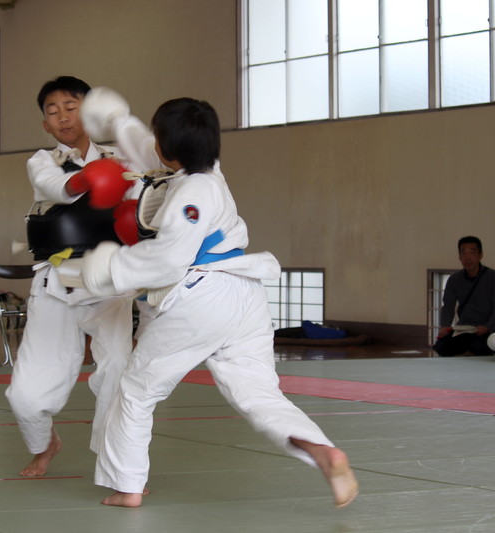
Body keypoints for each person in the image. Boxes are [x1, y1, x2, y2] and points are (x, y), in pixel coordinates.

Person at [77, 90, 358, 508]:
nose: (152, 144)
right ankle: (323, 451)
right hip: (244, 297)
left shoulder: (192, 194)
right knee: (260, 393)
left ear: (168, 149)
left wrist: (110, 267)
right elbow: (151, 150)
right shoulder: (203, 172)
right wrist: (120, 122)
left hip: (200, 296)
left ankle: (128, 486)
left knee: (136, 391)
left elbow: (169, 260)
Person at [4, 76, 136, 477]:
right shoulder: (43, 160)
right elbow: (57, 188)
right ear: (45, 124)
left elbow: (147, 207)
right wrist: (96, 176)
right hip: (57, 282)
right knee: (25, 395)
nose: (62, 117)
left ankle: (118, 468)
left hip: (109, 281)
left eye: (71, 106)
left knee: (117, 374)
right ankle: (45, 443)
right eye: (52, 110)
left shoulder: (124, 156)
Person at [433, 236, 495, 357]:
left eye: (472, 252)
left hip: (487, 329)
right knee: (441, 346)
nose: (467, 257)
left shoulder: (492, 277)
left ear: (480, 255)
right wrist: (445, 327)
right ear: (459, 257)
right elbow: (448, 306)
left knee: (480, 347)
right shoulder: (454, 279)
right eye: (463, 253)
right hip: (464, 328)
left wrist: (488, 327)